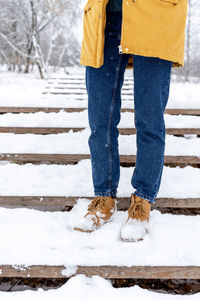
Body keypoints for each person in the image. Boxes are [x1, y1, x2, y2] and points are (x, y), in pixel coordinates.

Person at [73, 0, 188, 241]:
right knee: (100, 118)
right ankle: (104, 196)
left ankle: (142, 201)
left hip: (155, 17)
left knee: (149, 118)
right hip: (105, 19)